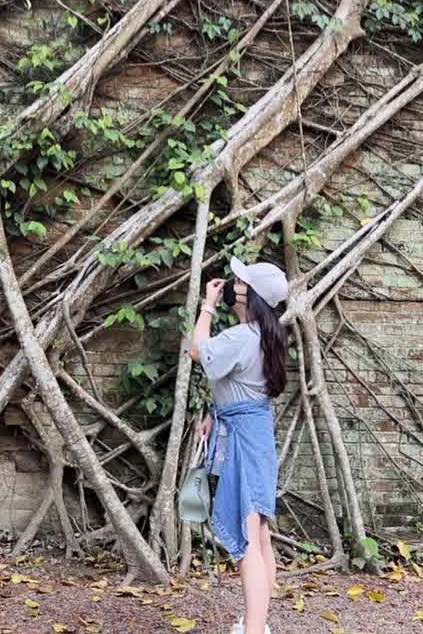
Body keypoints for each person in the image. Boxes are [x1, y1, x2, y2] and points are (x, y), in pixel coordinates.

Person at [190, 258, 289, 634]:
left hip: (244, 444)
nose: (232, 283)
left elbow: (198, 351)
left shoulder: (240, 337)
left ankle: (254, 630)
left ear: (251, 295)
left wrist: (207, 305)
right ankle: (256, 623)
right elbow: (247, 390)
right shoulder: (268, 335)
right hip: (256, 434)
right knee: (260, 533)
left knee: (248, 538)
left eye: (239, 281)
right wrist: (217, 413)